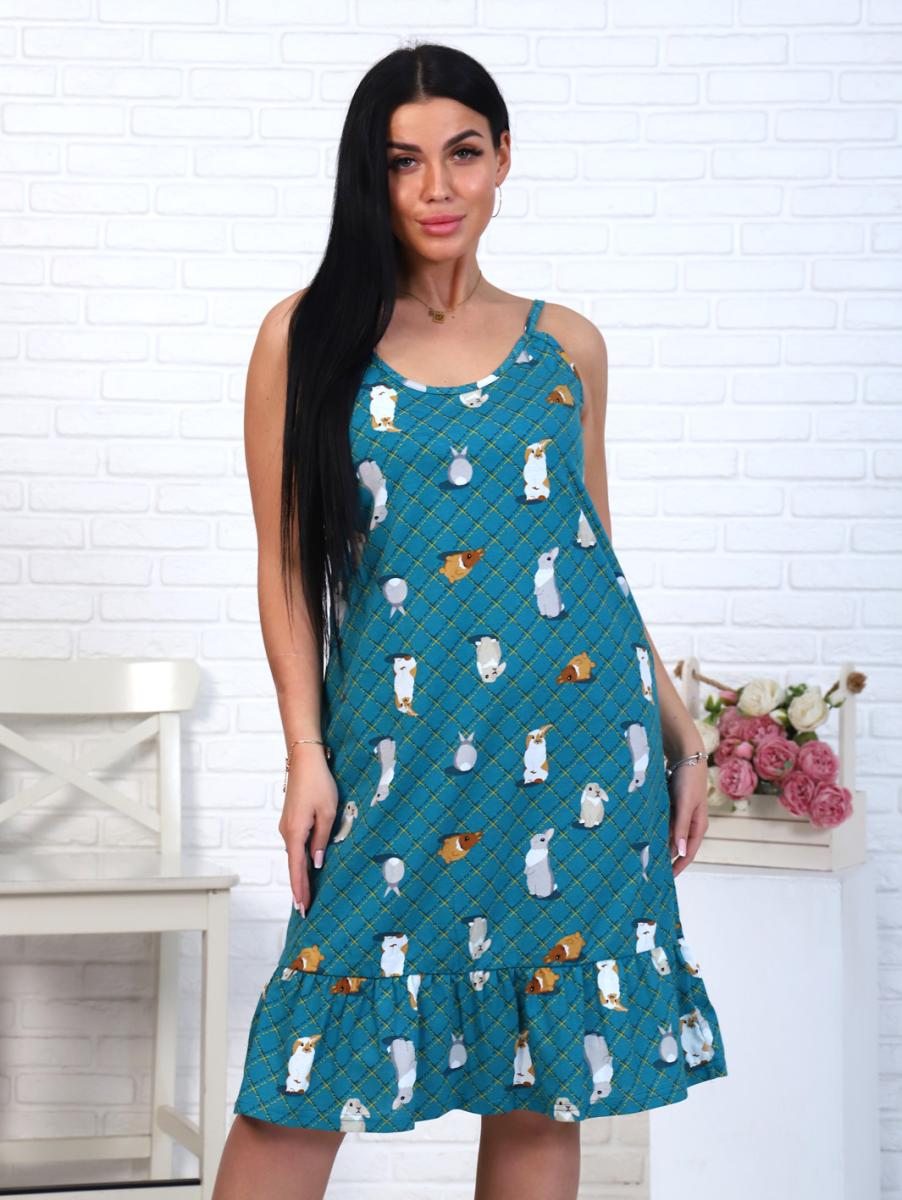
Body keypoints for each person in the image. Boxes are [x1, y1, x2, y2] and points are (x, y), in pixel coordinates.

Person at [212, 41, 727, 1200]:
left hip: (578, 750)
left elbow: (592, 555)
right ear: (369, 175)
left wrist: (680, 733)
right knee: (300, 1080)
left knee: (544, 1082)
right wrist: (304, 752)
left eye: (462, 154)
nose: (436, 189)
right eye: (404, 162)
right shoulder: (307, 337)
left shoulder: (566, 345)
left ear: (502, 160)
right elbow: (284, 563)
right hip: (397, 750)